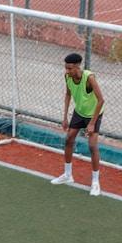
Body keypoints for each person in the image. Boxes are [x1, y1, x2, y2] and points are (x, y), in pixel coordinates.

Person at [50, 52, 107, 197]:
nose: (66, 71)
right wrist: (64, 117)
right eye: (65, 68)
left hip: (94, 113)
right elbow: (68, 94)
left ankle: (95, 182)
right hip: (79, 112)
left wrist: (92, 123)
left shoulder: (89, 78)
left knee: (92, 146)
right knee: (69, 139)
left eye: (69, 68)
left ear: (77, 67)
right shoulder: (67, 77)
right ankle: (68, 175)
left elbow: (101, 100)